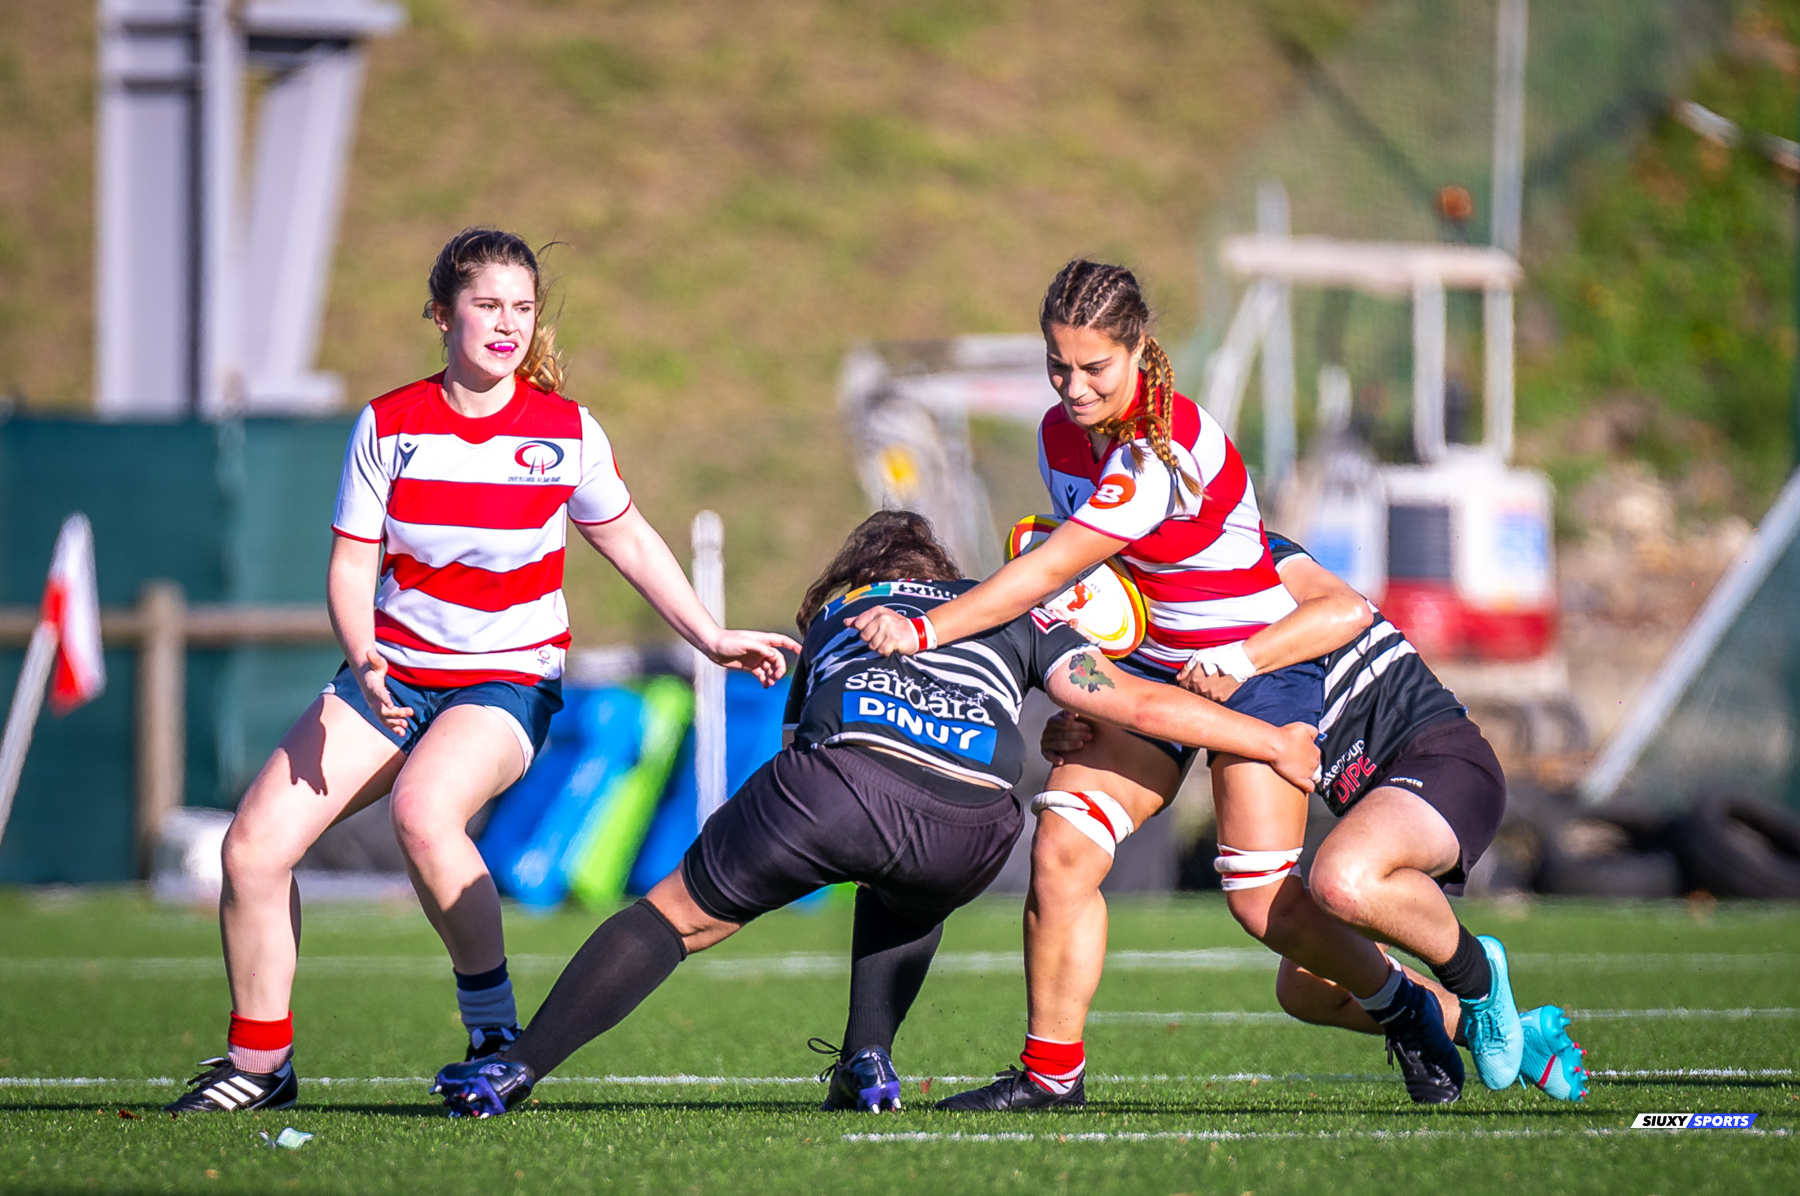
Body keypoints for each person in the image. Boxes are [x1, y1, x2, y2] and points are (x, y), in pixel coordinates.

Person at [165, 228, 797, 1114]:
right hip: (389, 677)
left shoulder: (565, 430)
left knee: (427, 810)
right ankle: (259, 1065)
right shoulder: (388, 426)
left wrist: (711, 634)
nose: (508, 325)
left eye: (523, 307)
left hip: (505, 683)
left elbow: (633, 543)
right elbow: (351, 567)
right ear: (441, 312)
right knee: (253, 847)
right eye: (487, 304)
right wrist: (364, 654)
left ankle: (496, 1032)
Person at [429, 510, 1321, 1118]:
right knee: (909, 876)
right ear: (944, 575)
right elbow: (1137, 705)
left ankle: (516, 1063)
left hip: (839, 784)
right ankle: (868, 1061)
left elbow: (803, 742)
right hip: (976, 824)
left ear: (857, 574)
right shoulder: (1010, 610)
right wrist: (1271, 740)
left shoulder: (840, 613)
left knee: (672, 917)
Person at [852, 260, 1396, 1111]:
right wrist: (1079, 690)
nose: (1072, 387)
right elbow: (1097, 590)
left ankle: (1417, 1011)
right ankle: (1050, 1075)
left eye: (1094, 367)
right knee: (1064, 845)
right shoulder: (1058, 432)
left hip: (1254, 668)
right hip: (1154, 667)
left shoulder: (1160, 454)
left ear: (1140, 349)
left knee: (1261, 904)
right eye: (1058, 366)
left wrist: (925, 627)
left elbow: (1044, 573)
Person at [1037, 531, 1590, 1103]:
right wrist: (1084, 719)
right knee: (1307, 986)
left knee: (1340, 879)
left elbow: (1344, 609)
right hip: (1375, 802)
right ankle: (1507, 1034)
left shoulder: (1254, 556)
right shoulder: (1172, 622)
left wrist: (1239, 659)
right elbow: (1163, 712)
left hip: (1441, 760)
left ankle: (1479, 974)